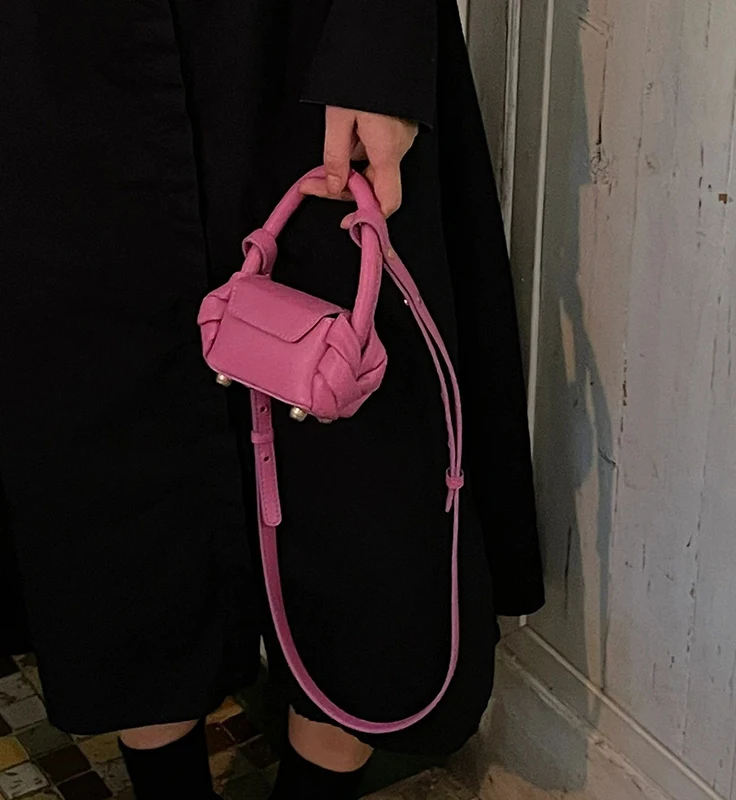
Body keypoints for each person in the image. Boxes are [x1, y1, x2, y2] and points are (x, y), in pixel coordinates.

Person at [0, 1, 544, 798]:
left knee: (361, 449)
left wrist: (382, 45)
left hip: (306, 40)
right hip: (54, 54)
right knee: (111, 453)